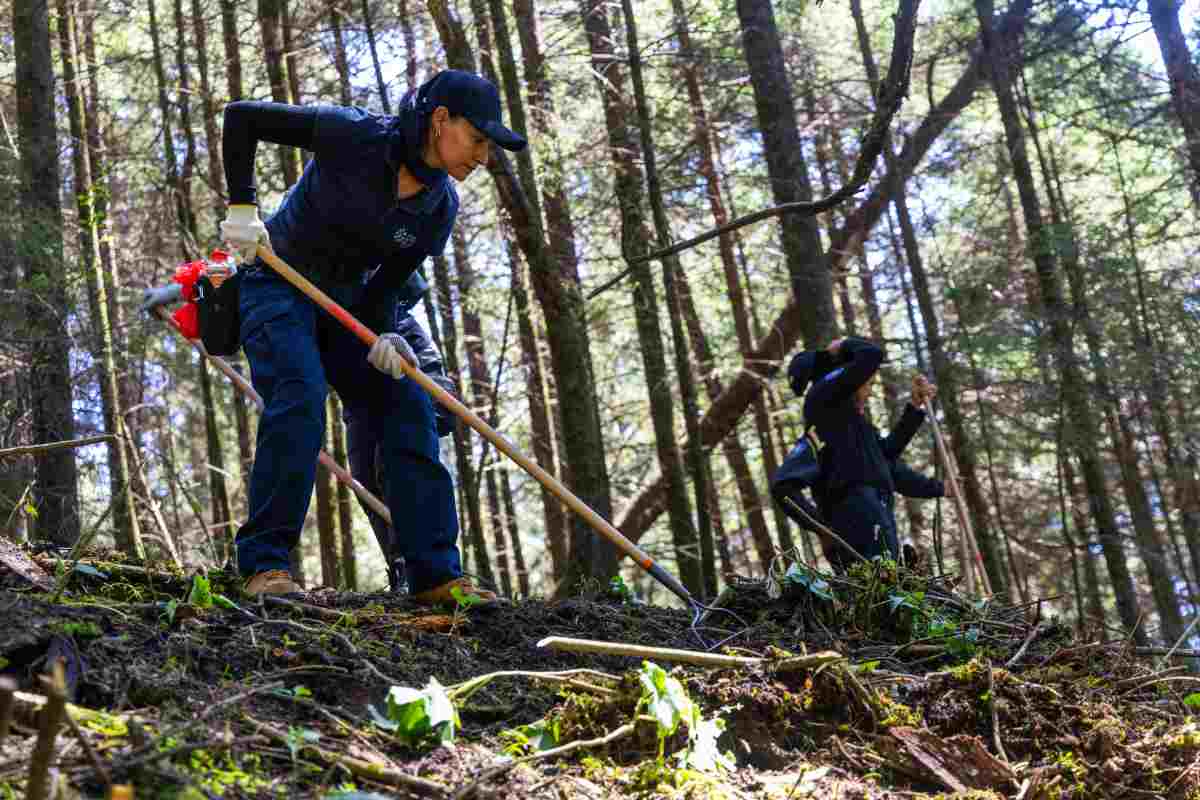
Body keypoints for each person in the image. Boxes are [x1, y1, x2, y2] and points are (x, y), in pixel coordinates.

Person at [218, 69, 526, 602]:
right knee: (300, 396)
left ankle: (435, 576)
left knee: (409, 400)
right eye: (477, 139)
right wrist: (243, 206)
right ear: (440, 120)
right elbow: (241, 118)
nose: (483, 156)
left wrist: (385, 334)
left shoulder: (440, 208)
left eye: (489, 147)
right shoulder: (355, 134)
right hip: (278, 283)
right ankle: (264, 565)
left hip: (347, 306)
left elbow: (387, 282)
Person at [344, 271, 457, 593]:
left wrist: (413, 392)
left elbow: (444, 407)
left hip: (408, 423)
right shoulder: (345, 318)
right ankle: (400, 571)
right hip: (360, 413)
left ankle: (429, 570)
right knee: (366, 480)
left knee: (398, 473)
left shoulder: (407, 328)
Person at [795, 337, 941, 570]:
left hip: (875, 515)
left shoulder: (853, 425)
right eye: (867, 384)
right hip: (858, 519)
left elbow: (886, 455)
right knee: (877, 588)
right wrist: (842, 345)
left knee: (885, 587)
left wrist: (914, 408)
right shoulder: (824, 401)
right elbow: (871, 355)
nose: (870, 392)